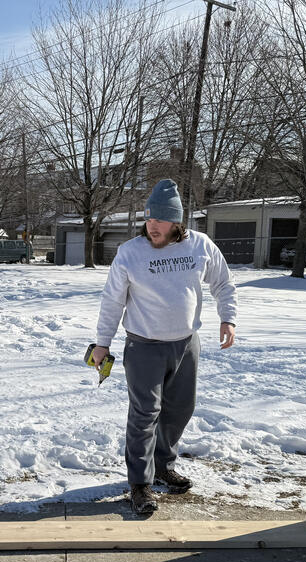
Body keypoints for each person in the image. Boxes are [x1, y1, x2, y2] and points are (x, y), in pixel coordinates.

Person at [91, 179, 237, 515]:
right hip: (144, 346)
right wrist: (102, 343)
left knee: (181, 409)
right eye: (148, 219)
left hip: (186, 344)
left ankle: (162, 465)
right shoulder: (130, 253)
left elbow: (224, 284)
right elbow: (112, 301)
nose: (152, 226)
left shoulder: (200, 246)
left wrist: (228, 319)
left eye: (160, 220)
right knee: (144, 415)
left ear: (177, 222)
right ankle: (140, 484)